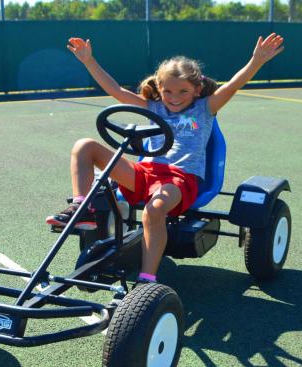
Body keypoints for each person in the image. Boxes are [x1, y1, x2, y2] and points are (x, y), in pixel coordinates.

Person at [46, 33, 284, 284]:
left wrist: (256, 61)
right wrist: (88, 61)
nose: (175, 97)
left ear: (197, 89)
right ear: (159, 89)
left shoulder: (205, 109)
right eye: (168, 91)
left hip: (180, 180)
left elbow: (233, 85)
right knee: (85, 146)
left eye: (183, 90)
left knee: (154, 209)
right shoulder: (154, 108)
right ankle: (81, 209)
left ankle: (147, 278)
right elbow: (116, 91)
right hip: (145, 172)